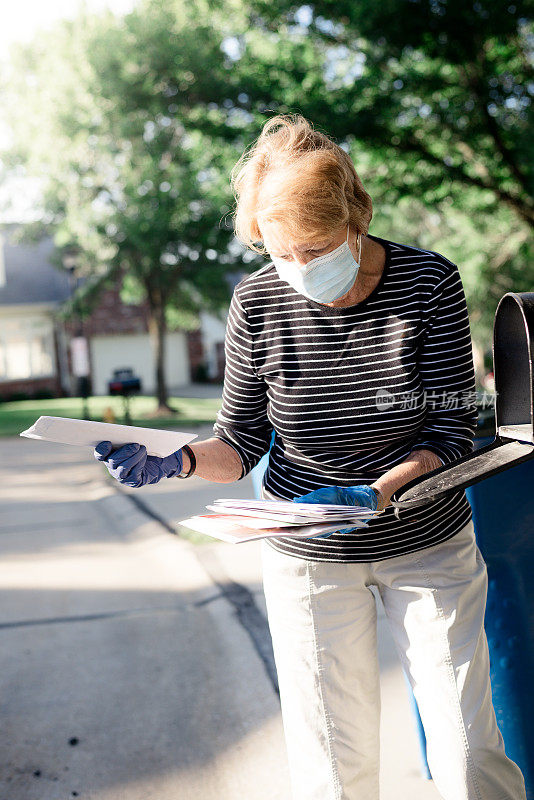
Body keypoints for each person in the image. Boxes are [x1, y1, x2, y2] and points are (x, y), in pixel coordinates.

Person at [94, 114, 526, 800]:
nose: (296, 267)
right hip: (309, 554)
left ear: (355, 217)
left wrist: (376, 493)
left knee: (468, 749)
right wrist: (175, 460)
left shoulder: (429, 284)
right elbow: (239, 444)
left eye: (313, 246)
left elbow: (449, 433)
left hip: (427, 543)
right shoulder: (256, 304)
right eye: (279, 250)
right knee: (331, 766)